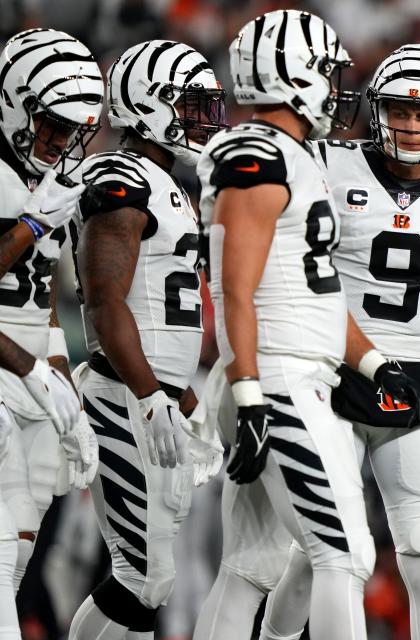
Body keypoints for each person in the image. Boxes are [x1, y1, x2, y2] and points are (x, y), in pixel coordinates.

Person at [250, 43, 420, 640]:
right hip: (329, 379)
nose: (411, 126)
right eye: (398, 111)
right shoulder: (326, 165)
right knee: (327, 554)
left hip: (417, 387)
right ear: (374, 110)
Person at [195, 11, 420, 640]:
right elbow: (235, 290)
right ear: (292, 74)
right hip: (276, 378)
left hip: (288, 372)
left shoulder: (297, 155)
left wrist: (373, 361)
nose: (334, 84)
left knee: (251, 567)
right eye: (326, 71)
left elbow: (313, 286)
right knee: (345, 555)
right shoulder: (258, 151)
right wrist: (248, 392)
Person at [67, 39, 226, 640]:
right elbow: (107, 303)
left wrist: (181, 399)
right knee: (144, 576)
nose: (199, 119)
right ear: (149, 104)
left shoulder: (168, 184)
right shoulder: (121, 175)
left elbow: (160, 305)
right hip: (125, 394)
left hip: (151, 397)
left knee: (152, 578)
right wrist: (148, 394)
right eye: (187, 105)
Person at [0, 27, 103, 598]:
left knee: (16, 566)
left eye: (73, 131)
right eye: (53, 124)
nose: (60, 142)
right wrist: (30, 226)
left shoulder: (47, 178)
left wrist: (60, 379)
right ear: (16, 100)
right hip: (7, 374)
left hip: (27, 381)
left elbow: (41, 299)